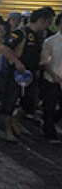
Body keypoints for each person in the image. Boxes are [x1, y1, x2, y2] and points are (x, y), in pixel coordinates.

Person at [0, 7, 54, 142]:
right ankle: (7, 130)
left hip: (31, 75)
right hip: (17, 74)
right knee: (10, 102)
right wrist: (17, 62)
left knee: (30, 104)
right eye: (48, 22)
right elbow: (5, 48)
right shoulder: (21, 33)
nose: (48, 25)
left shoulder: (40, 36)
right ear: (41, 21)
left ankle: (15, 120)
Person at [40, 13, 62, 142]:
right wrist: (53, 75)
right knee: (50, 106)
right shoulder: (50, 41)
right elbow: (44, 61)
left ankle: (52, 121)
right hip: (51, 78)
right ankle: (49, 130)